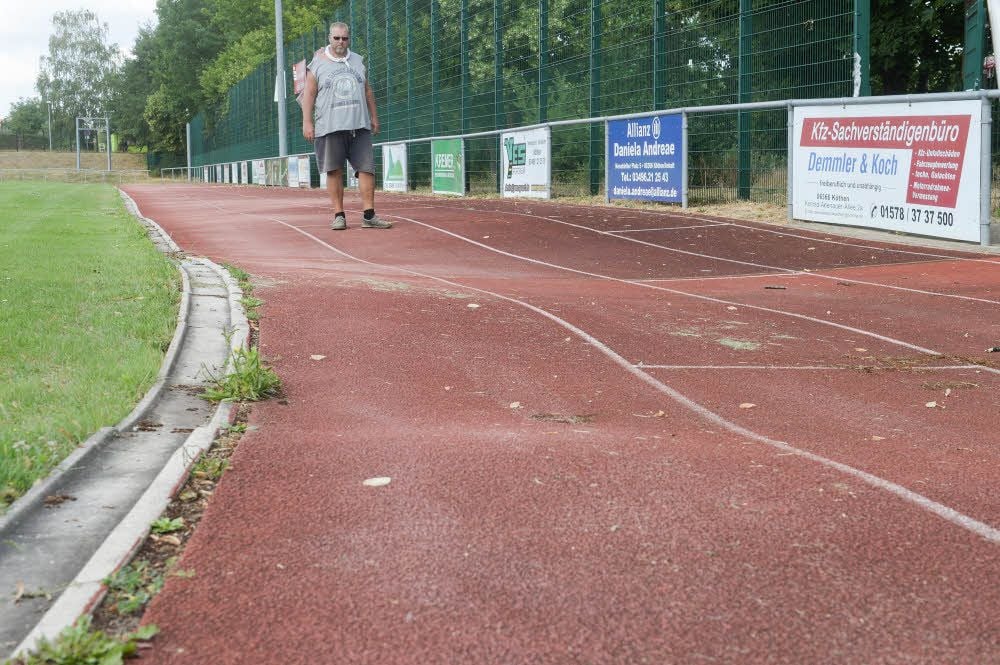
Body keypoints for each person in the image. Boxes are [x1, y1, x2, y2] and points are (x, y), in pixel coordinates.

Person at [301, 22, 391, 230]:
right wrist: (307, 122)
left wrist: (374, 116)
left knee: (367, 169)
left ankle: (369, 216)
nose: (341, 42)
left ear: (349, 39)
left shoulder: (358, 60)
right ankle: (338, 215)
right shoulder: (317, 63)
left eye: (344, 38)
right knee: (334, 170)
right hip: (329, 126)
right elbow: (309, 94)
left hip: (359, 125)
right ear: (329, 38)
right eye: (336, 38)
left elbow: (367, 91)